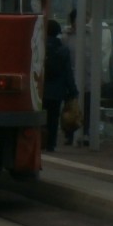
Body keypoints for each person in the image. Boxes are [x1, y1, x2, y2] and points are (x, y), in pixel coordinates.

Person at [43, 18, 78, 152]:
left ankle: (41, 141)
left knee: (42, 117)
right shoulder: (63, 50)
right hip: (57, 91)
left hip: (41, 91)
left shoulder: (39, 47)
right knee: (53, 118)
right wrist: (73, 91)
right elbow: (68, 73)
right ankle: (51, 144)